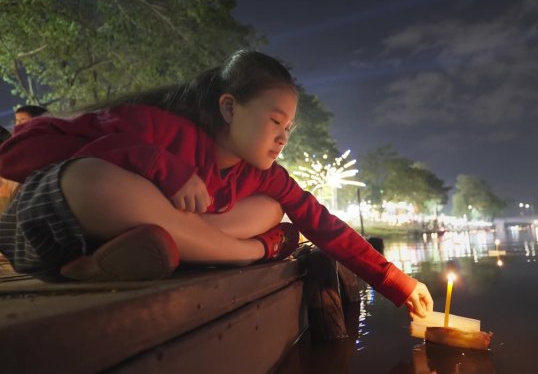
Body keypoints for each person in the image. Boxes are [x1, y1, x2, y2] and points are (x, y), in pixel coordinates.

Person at [0, 50, 433, 318]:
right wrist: (161, 166)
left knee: (271, 206)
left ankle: (108, 262)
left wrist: (399, 282)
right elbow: (17, 153)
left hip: (122, 245)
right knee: (95, 178)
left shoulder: (265, 175)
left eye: (290, 128)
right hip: (49, 226)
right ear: (229, 108)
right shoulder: (161, 127)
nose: (284, 136)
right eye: (275, 121)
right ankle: (248, 251)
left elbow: (323, 223)